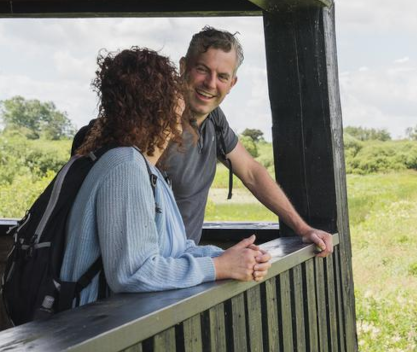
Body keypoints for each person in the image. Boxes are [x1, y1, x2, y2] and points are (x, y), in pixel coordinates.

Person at [73, 26, 335, 258]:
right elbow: (129, 175)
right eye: (202, 70)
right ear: (183, 67)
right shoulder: (151, 118)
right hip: (138, 269)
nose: (210, 83)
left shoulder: (214, 121)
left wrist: (303, 228)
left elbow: (252, 173)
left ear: (232, 83)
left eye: (222, 76)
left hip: (180, 267)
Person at [61, 48, 271, 307]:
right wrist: (217, 267)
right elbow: (133, 273)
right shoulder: (124, 168)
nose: (181, 125)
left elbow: (175, 250)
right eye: (176, 111)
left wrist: (229, 257)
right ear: (155, 112)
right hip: (95, 331)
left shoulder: (148, 172)